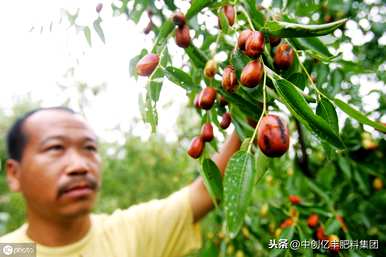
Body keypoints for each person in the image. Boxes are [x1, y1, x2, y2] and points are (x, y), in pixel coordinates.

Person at [0, 107, 241, 257]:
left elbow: (206, 192)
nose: (80, 166)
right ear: (14, 174)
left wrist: (248, 113)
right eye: (55, 148)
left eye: (89, 148)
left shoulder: (129, 233)